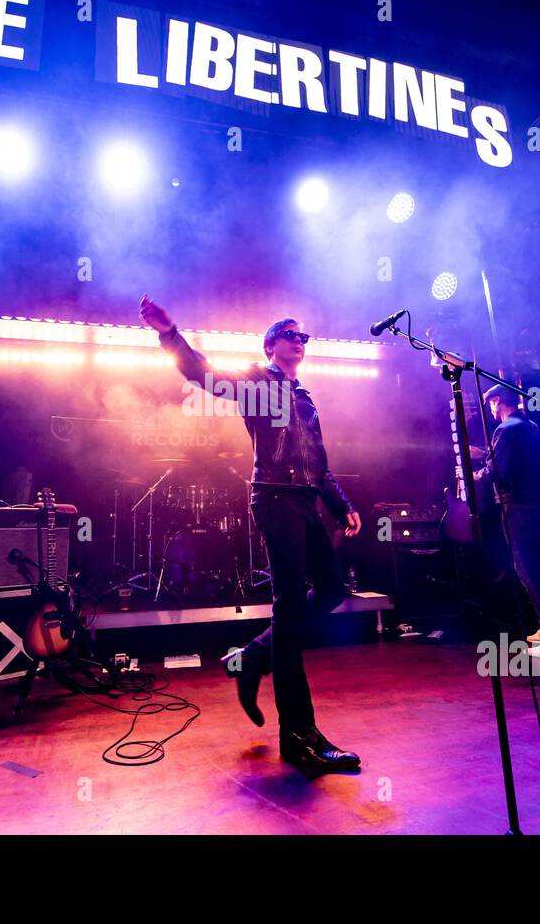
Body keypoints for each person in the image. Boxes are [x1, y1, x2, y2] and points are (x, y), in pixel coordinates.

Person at [139, 295, 363, 772]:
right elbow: (202, 375)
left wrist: (340, 504)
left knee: (329, 590)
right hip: (275, 499)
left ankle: (251, 657)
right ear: (270, 345)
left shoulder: (305, 398)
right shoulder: (258, 382)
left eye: (303, 336)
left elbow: (319, 466)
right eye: (289, 334)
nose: (298, 341)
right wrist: (169, 332)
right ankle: (299, 735)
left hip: (306, 501)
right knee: (288, 605)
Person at [473, 384, 540, 659]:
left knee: (526, 568)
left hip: (515, 505)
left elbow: (500, 472)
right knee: (536, 566)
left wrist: (475, 474)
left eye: (491, 404)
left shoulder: (504, 430)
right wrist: (485, 455)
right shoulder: (530, 426)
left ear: (498, 401)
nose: (490, 410)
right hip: (535, 504)